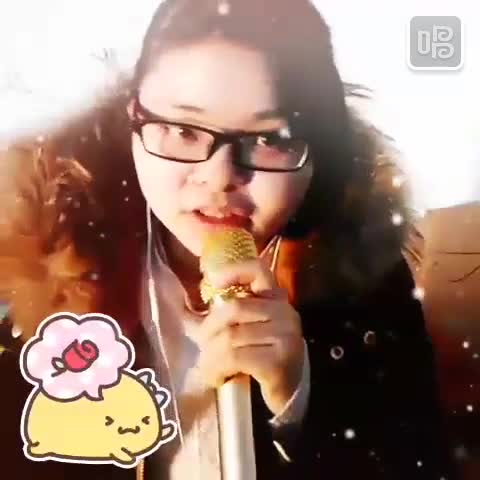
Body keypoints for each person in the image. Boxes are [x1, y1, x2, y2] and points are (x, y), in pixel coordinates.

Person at [0, 0, 457, 478]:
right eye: (183, 130)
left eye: (269, 139)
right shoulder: (43, 281)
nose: (219, 178)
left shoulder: (362, 282)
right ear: (133, 117)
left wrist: (296, 402)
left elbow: (420, 464)